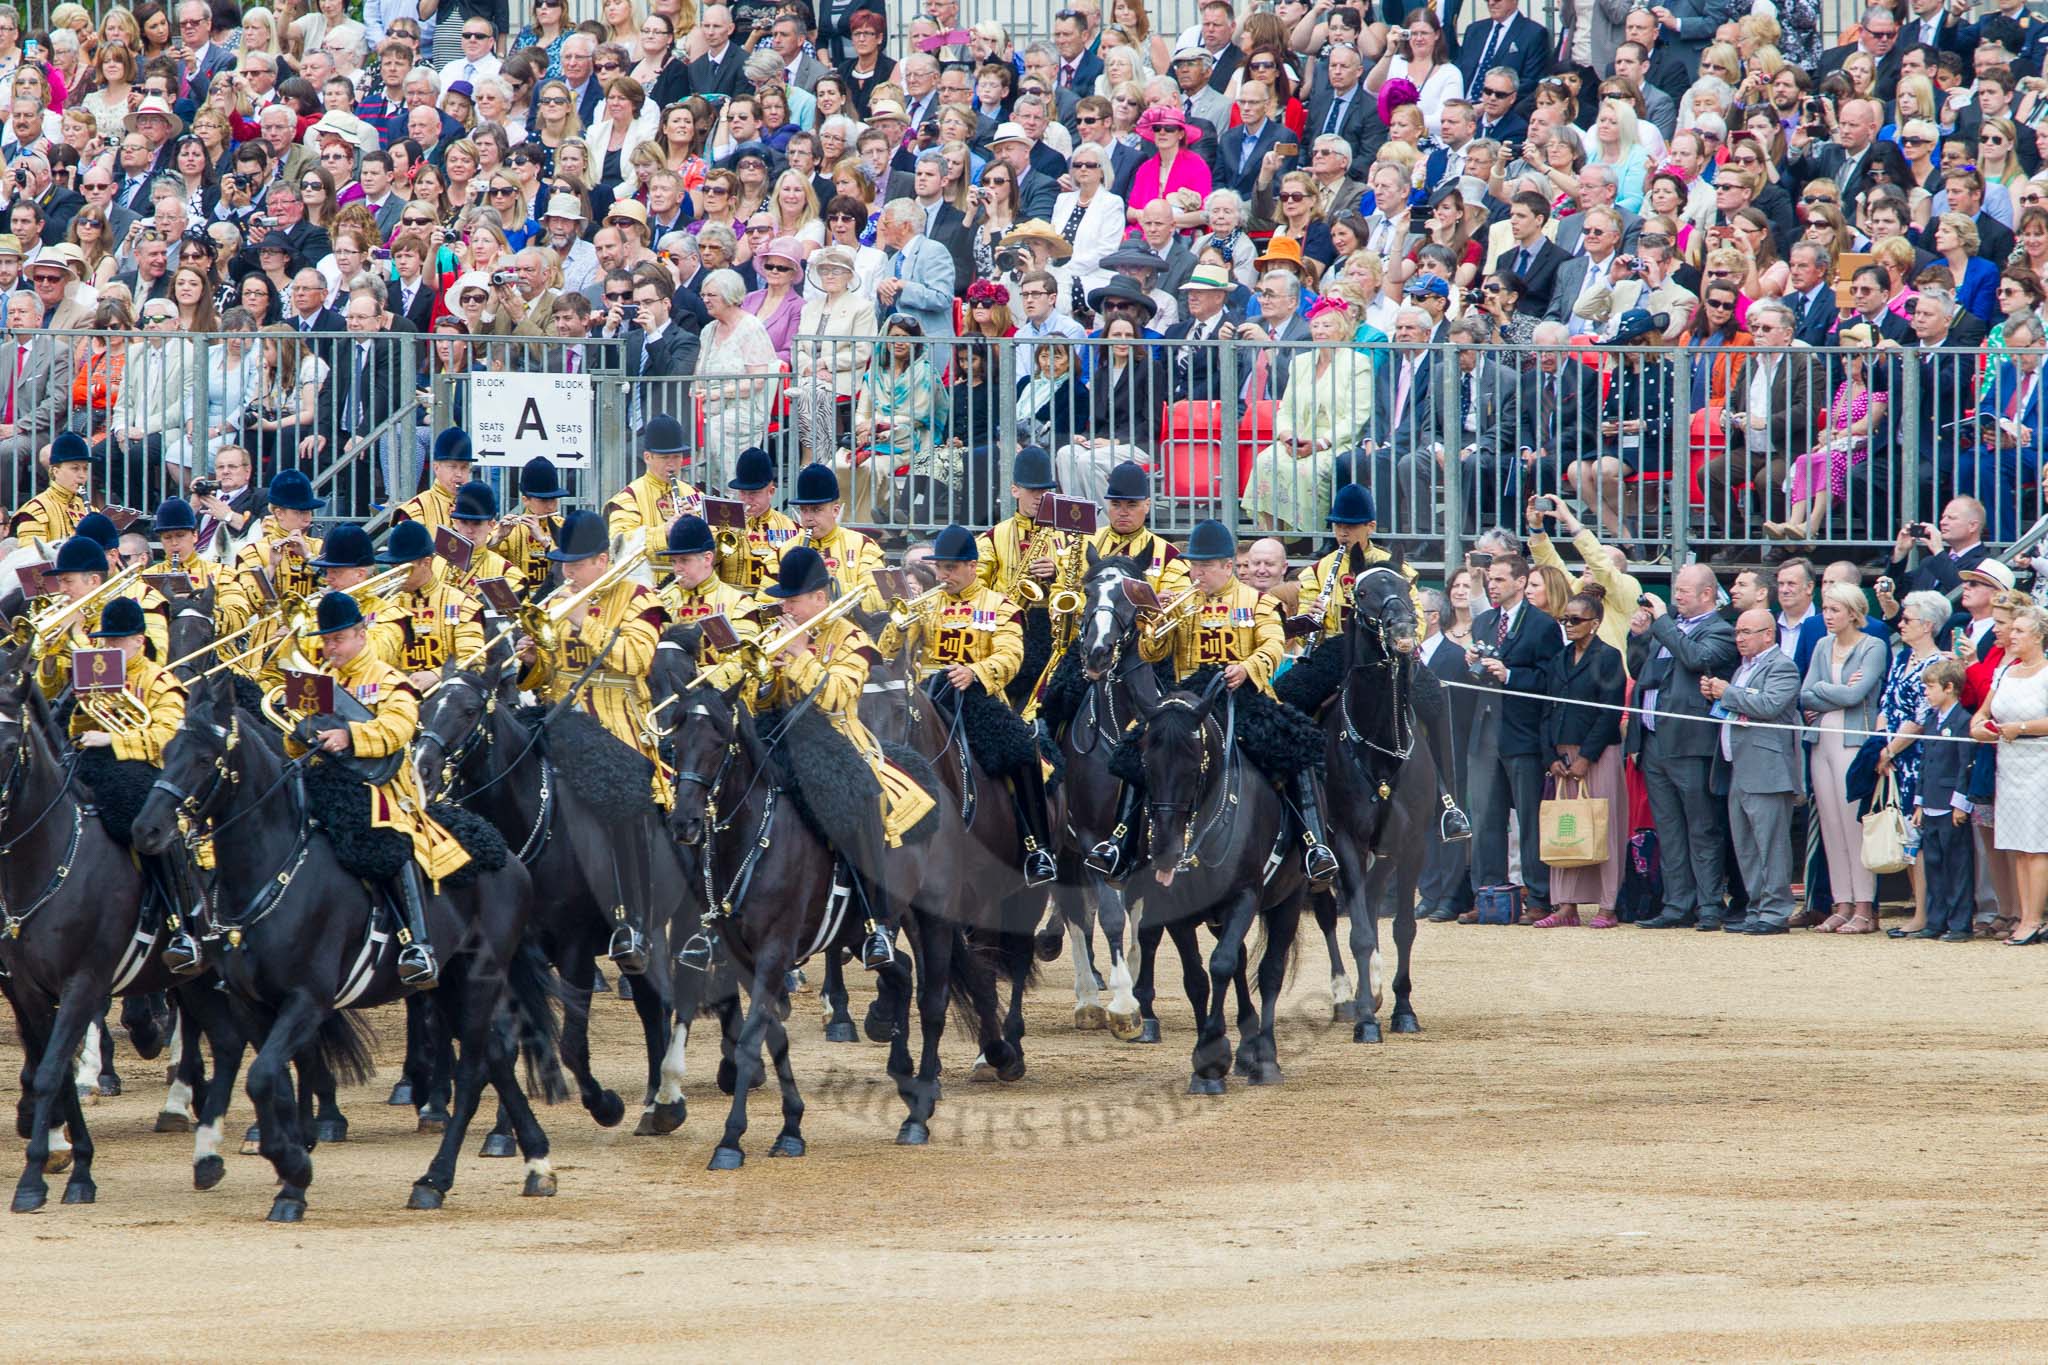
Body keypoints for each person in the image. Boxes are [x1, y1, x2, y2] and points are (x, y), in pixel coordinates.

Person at [1108, 518, 1337, 888]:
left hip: (1243, 697)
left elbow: (1274, 644)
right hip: (1190, 701)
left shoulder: (1259, 602)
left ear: (1228, 566)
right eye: (1193, 565)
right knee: (1137, 748)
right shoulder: (1184, 602)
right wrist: (1151, 616)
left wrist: (1247, 668)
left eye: (1204, 566)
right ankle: (1120, 843)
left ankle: (1314, 844)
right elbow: (1153, 651)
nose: (1195, 573)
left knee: (1297, 744)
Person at [876, 526, 1057, 885]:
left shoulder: (1000, 605)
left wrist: (976, 671)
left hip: (979, 696)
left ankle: (1039, 848)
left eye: (951, 568)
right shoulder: (924, 604)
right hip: (929, 694)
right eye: (940, 568)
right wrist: (897, 626)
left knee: (1022, 750)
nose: (943, 575)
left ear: (973, 566)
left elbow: (1011, 655)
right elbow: (887, 652)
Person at [1629, 563, 1740, 930]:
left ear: (1707, 595)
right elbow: (1640, 672)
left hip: (1691, 744)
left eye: (1684, 591)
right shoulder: (1667, 629)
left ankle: (1709, 905)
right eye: (1676, 590)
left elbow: (1696, 659)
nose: (1676, 597)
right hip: (1654, 741)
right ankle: (1677, 904)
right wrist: (1640, 636)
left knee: (1702, 827)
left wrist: (1663, 624)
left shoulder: (1720, 630)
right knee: (1669, 829)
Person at [1464, 552, 1566, 922]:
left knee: (1529, 821)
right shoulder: (1485, 622)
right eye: (1490, 579)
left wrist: (1511, 675)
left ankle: (1538, 897)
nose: (1492, 585)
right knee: (1486, 819)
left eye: (1500, 580)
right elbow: (1476, 676)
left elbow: (1552, 681)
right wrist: (1473, 666)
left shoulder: (1542, 625)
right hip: (1485, 732)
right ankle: (1487, 894)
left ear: (1521, 582)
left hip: (1522, 734)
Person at [1702, 606, 1806, 936]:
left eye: (1746, 632)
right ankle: (1757, 907)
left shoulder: (1783, 667)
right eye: (1737, 632)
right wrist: (1719, 696)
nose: (1739, 638)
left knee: (1771, 844)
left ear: (1768, 635)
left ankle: (1775, 911)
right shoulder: (1742, 669)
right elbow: (1737, 705)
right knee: (1746, 846)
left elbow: (1769, 706)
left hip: (1767, 769)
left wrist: (1726, 693)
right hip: (1738, 768)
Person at [1532, 586, 1628, 928]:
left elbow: (1609, 711)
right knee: (1565, 824)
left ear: (1595, 623)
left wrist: (1587, 755)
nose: (1569, 625)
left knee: (1602, 822)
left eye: (1576, 620)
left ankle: (1607, 905)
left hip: (1598, 752)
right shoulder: (1558, 659)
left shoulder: (1609, 657)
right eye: (1565, 619)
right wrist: (1550, 756)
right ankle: (1565, 905)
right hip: (1561, 753)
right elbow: (1546, 709)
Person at [1799, 581, 1890, 935]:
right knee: (1830, 824)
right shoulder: (1822, 645)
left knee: (1854, 824)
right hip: (1822, 738)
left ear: (1854, 613)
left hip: (1853, 740)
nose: (1828, 616)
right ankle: (1842, 902)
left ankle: (1865, 906)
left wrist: (1826, 692)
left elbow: (1857, 694)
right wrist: (1830, 692)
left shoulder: (1873, 646)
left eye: (1835, 610)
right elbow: (1806, 694)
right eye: (1825, 609)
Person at [1975, 605, 2048, 944]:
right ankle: (2022, 915)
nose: (2011, 636)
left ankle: (2033, 918)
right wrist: (1981, 728)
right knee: (2018, 846)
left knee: (2036, 846)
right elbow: (1982, 713)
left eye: (2019, 630)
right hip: (2009, 762)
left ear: (2038, 636)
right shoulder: (2005, 672)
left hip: (2040, 761)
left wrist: (2020, 727)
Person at [1913, 658, 1978, 942]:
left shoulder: (1963, 721)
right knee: (1934, 865)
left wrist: (1959, 804)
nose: (1926, 693)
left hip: (1950, 805)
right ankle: (1935, 920)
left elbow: (1966, 765)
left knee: (1957, 866)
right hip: (1930, 802)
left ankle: (1960, 923)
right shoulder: (1930, 720)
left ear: (1949, 688)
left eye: (1930, 687)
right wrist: (1918, 801)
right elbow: (1924, 762)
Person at [8, 427, 92, 545]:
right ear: (55, 471)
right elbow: (32, 559)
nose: (82, 475)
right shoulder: (36, 510)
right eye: (75, 468)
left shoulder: (92, 510)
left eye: (85, 469)